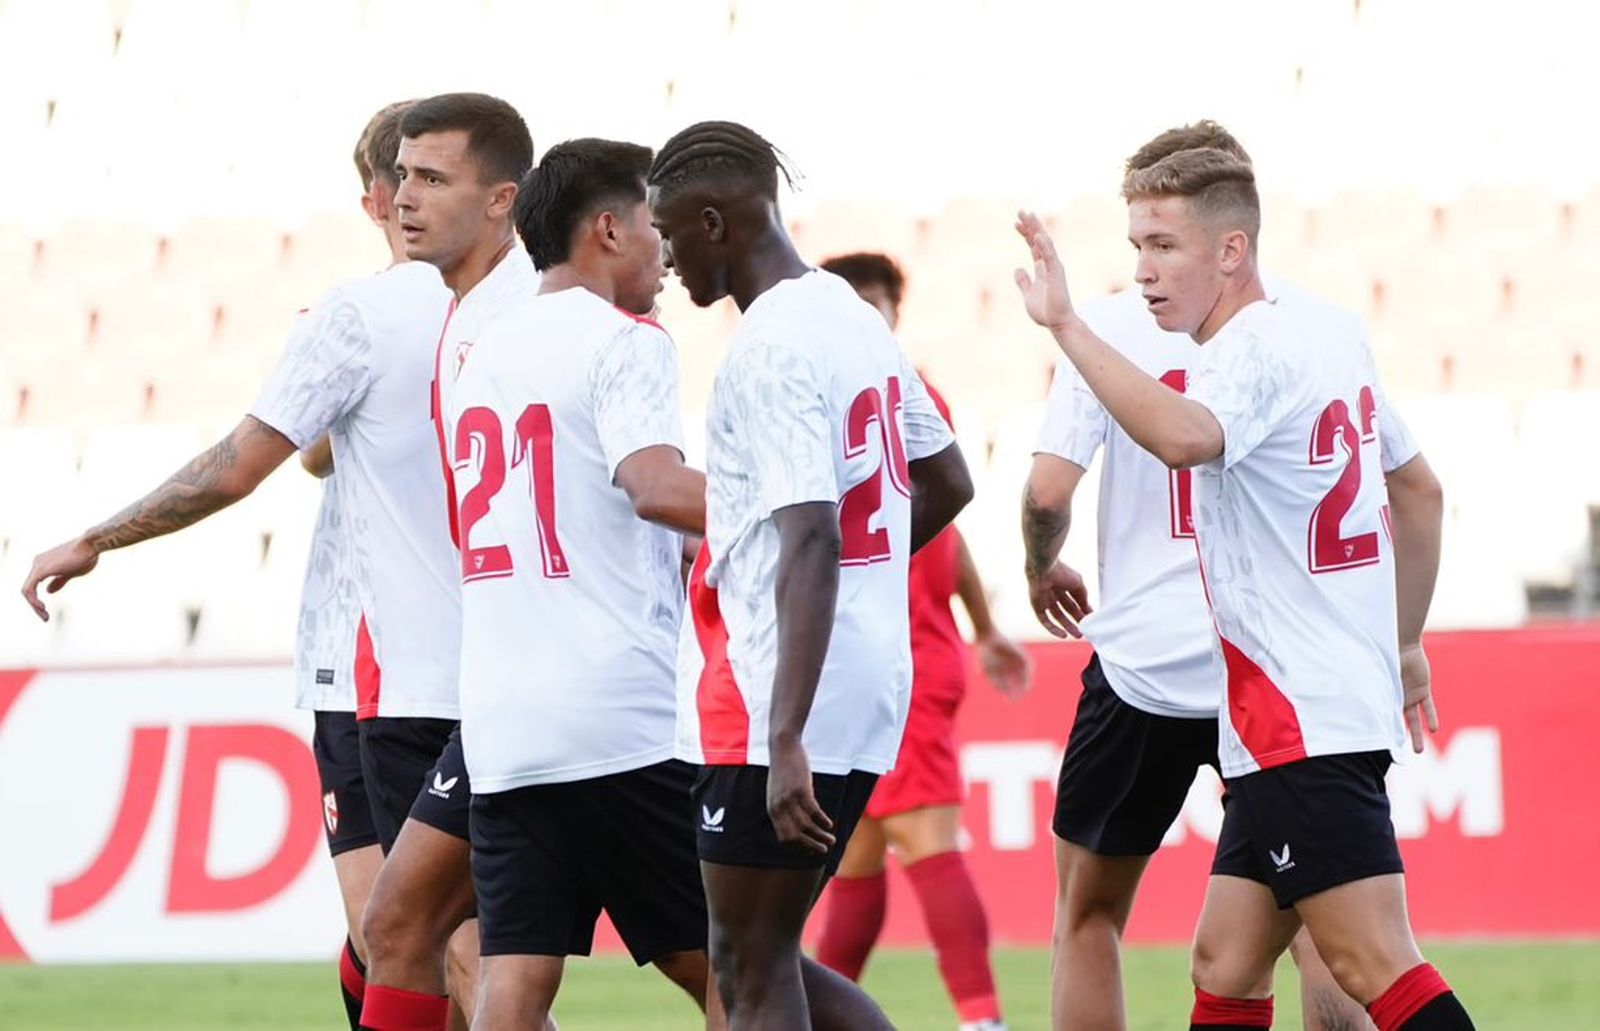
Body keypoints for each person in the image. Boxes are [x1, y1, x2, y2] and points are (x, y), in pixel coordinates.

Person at [16, 97, 456, 1027]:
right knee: (457, 940)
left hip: (372, 664)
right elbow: (328, 453)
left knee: (401, 937)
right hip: (492, 652)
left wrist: (96, 536)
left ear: (377, 199)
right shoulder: (521, 308)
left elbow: (247, 467)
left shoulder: (356, 316)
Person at [1013, 137, 1465, 1031]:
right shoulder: (1330, 329)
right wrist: (1405, 642)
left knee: (1374, 959)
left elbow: (1184, 437)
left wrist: (1070, 327)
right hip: (1289, 705)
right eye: (1136, 245)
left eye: (1164, 246)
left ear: (1232, 250)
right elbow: (1419, 490)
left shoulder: (1245, 350)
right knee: (1226, 957)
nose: (1143, 271)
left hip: (1297, 713)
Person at [649, 120, 975, 1029]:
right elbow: (947, 480)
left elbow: (811, 536)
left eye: (673, 235)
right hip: (863, 680)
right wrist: (867, 586)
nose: (669, 260)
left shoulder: (769, 350)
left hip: (774, 693)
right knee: (764, 956)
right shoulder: (847, 316)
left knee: (750, 973)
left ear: (715, 222)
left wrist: (784, 730)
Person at [440, 136, 723, 1031]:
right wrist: (791, 506)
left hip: (503, 724)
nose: (665, 247)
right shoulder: (626, 340)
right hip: (616, 721)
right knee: (735, 974)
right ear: (607, 227)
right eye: (652, 222)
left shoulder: (484, 345)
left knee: (513, 987)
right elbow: (655, 488)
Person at [353, 91, 534, 1031]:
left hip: (519, 692)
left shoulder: (528, 319)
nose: (403, 199)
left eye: (430, 178)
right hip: (494, 685)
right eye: (399, 178)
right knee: (415, 932)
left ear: (502, 197)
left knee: (728, 963)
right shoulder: (462, 314)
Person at [813, 251, 1029, 1031]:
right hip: (861, 657)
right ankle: (806, 1008)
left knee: (925, 834)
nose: (867, 316)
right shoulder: (859, 390)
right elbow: (949, 527)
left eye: (878, 302)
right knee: (858, 858)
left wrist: (974, 627)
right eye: (852, 302)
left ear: (896, 314)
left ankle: (983, 1019)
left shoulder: (893, 389)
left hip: (903, 657)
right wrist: (988, 624)